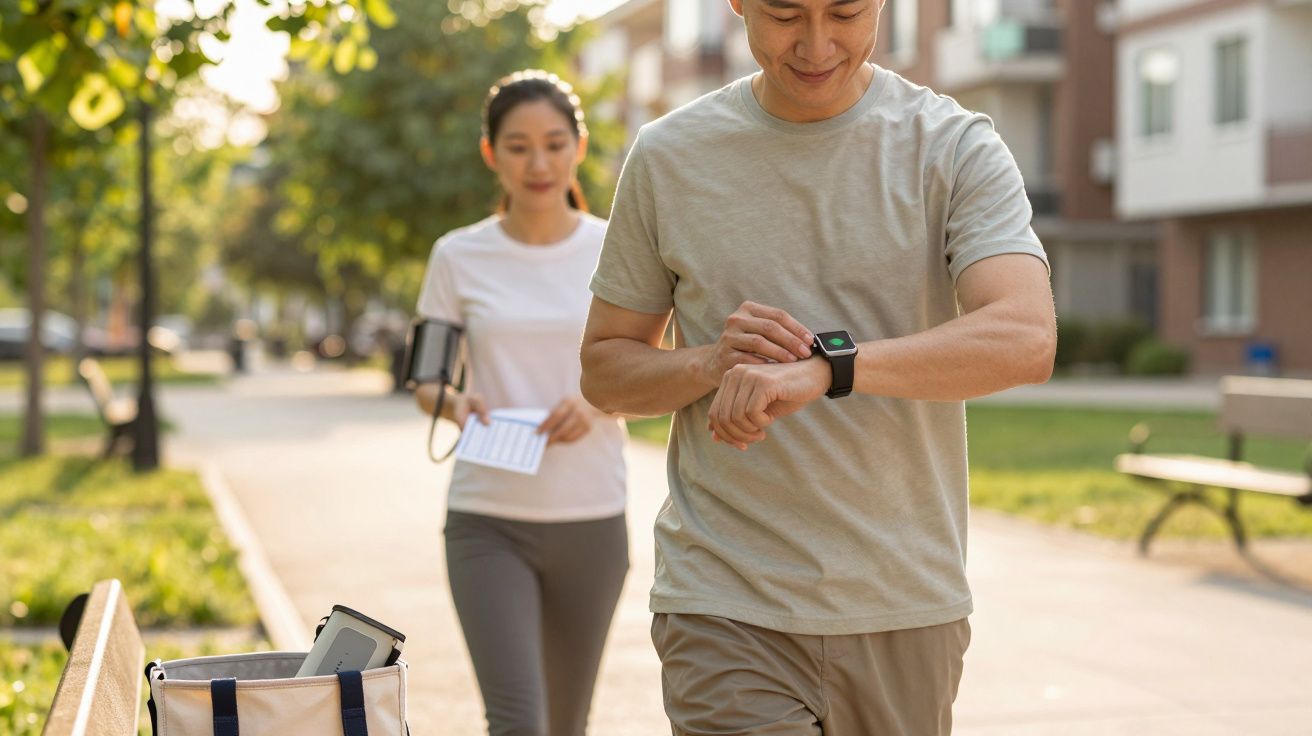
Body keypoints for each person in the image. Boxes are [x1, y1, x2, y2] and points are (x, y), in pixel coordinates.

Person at [578, 0, 1057, 732]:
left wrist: (828, 368)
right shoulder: (669, 155)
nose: (816, 44)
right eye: (783, 15)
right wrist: (709, 364)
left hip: (904, 603)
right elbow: (605, 370)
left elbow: (1025, 336)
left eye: (845, 12)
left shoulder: (953, 145)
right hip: (726, 600)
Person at [414, 69, 628, 736]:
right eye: (518, 146)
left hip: (591, 519)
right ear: (491, 154)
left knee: (567, 724)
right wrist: (455, 404)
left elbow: (655, 373)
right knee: (518, 722)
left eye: (555, 143)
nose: (539, 163)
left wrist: (597, 402)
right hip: (487, 521)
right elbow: (426, 379)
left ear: (579, 148)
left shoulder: (617, 249)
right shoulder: (457, 256)